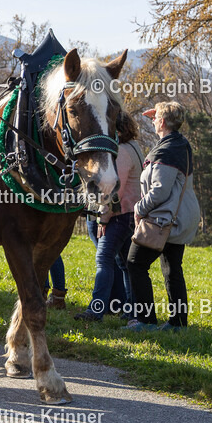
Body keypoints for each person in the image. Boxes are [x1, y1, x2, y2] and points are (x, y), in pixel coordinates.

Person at [124, 101, 201, 332]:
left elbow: (159, 190)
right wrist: (158, 112)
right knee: (171, 268)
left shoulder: (167, 151)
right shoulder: (178, 144)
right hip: (179, 217)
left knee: (135, 263)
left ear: (164, 122)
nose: (153, 120)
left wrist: (139, 209)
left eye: (156, 118)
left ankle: (146, 321)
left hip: (164, 219)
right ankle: (178, 324)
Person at [73, 111, 143, 320]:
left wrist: (103, 219)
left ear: (118, 131)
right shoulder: (134, 147)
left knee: (103, 260)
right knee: (124, 264)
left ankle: (95, 311)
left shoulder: (121, 151)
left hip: (118, 215)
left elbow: (113, 191)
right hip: (130, 214)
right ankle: (130, 309)